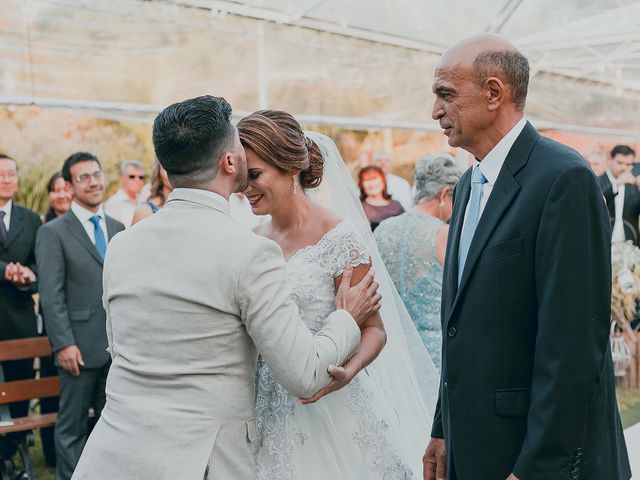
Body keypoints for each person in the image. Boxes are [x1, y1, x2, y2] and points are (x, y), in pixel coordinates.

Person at [71, 95, 381, 480]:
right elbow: (304, 376)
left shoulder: (122, 245)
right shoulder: (248, 251)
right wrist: (346, 318)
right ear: (230, 162)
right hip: (200, 462)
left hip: (114, 455)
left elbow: (122, 345)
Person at [422, 34, 630, 480]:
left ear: (494, 92)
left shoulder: (564, 178)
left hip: (530, 456)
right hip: (473, 446)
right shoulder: (465, 186)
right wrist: (443, 429)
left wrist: (537, 467)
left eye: (445, 95)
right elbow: (460, 325)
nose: (435, 111)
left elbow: (572, 344)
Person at [238, 110, 437, 480]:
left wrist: (350, 370)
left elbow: (375, 329)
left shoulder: (338, 237)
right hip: (265, 406)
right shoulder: (250, 239)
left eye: (254, 175)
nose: (245, 189)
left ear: (289, 166)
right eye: (240, 179)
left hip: (331, 401)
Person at [36, 152, 124, 480]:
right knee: (71, 428)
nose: (93, 182)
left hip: (116, 346)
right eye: (83, 177)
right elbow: (51, 294)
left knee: (113, 425)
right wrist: (63, 344)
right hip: (78, 348)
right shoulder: (54, 232)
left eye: (97, 174)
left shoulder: (117, 228)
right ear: (70, 186)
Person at [375, 154, 461, 370]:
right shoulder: (445, 234)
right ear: (443, 195)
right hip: (434, 354)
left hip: (392, 352)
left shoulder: (382, 229)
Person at [0, 153, 41, 469]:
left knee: (20, 391)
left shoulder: (31, 218)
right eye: (1, 174)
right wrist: (6, 270)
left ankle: (12, 450)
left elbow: (40, 263)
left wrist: (29, 275)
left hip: (19, 319)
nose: (6, 179)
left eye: (11, 173)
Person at [40, 171, 72, 468]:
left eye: (65, 188)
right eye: (56, 190)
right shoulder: (45, 227)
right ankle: (50, 452)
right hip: (54, 323)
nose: (61, 194)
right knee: (52, 389)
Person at [598, 145, 640, 245]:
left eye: (628, 164)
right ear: (610, 159)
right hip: (603, 243)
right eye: (620, 163)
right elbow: (596, 203)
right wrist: (616, 184)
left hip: (630, 244)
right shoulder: (598, 181)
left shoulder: (634, 185)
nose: (623, 168)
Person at [359, 165, 404, 230]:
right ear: (361, 184)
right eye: (367, 180)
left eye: (374, 178)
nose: (371, 184)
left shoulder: (396, 205)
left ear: (383, 180)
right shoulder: (358, 207)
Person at [104, 159, 146, 227]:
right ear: (122, 178)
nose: (137, 180)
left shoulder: (145, 200)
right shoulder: (113, 203)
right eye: (132, 176)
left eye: (141, 177)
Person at [130, 161, 172, 225]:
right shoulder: (144, 211)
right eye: (168, 167)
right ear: (159, 172)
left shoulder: (190, 208)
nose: (174, 173)